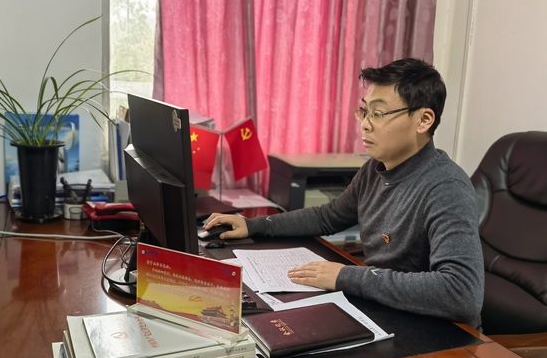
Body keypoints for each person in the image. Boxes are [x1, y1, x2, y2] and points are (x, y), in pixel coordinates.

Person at [203, 58, 484, 329]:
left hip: (438, 332)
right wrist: (254, 226)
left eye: (379, 113)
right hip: (386, 310)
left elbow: (461, 293)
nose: (365, 124)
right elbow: (328, 217)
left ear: (423, 120)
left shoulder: (446, 188)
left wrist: (347, 276)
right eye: (364, 111)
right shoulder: (375, 169)